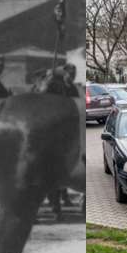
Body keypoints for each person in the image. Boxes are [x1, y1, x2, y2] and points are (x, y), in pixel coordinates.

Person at [44, 63, 79, 211]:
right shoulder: (55, 85)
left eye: (73, 75)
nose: (71, 77)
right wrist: (49, 80)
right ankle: (54, 200)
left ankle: (62, 197)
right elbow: (44, 94)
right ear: (64, 74)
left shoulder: (72, 88)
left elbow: (77, 103)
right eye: (69, 75)